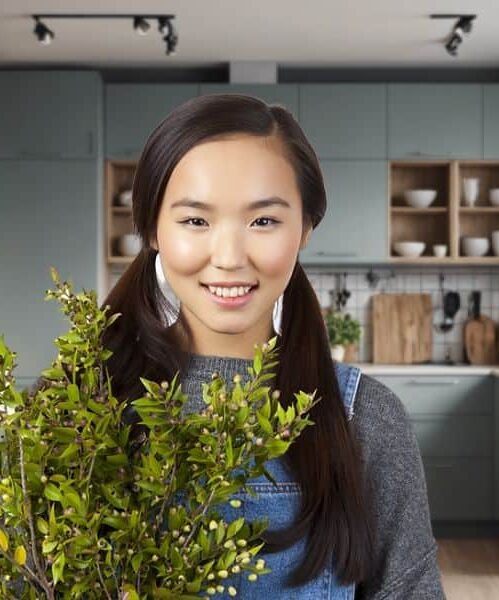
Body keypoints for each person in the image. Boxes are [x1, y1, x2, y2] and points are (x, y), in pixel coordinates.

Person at [99, 93, 446, 599]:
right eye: (196, 220)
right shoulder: (86, 404)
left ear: (305, 227)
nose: (229, 258)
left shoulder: (365, 419)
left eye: (263, 221)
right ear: (153, 229)